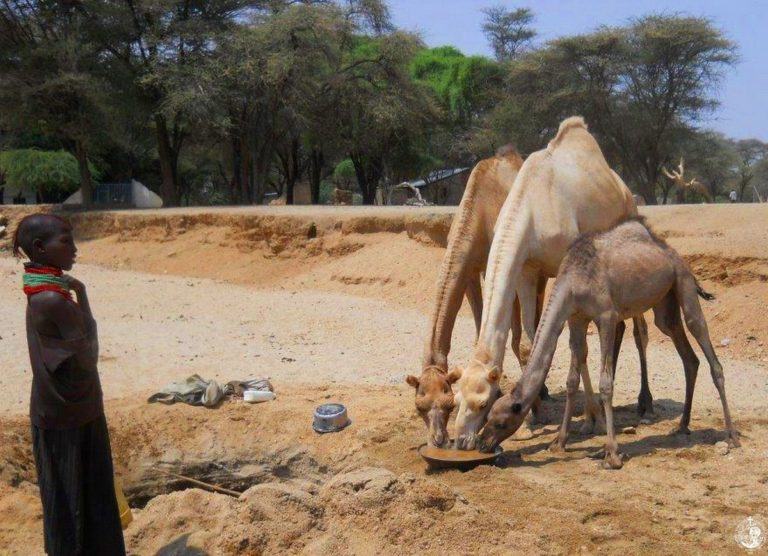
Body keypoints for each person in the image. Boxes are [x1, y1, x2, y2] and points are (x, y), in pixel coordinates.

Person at [13, 214, 125, 556]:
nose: (75, 249)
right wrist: (84, 295)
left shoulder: (40, 291)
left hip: (61, 408)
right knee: (82, 500)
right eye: (66, 242)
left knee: (66, 498)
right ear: (39, 248)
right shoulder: (54, 300)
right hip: (71, 413)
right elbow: (88, 357)